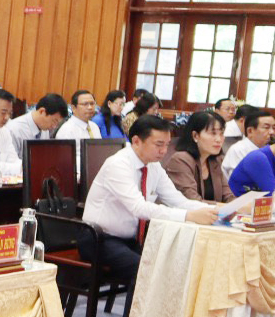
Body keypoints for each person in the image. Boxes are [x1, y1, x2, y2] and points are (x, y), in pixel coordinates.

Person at [83, 114, 218, 280]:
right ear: (136, 141)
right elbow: (139, 208)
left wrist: (216, 210)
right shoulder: (118, 164)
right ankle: (135, 308)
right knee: (146, 272)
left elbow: (177, 200)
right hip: (100, 238)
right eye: (158, 144)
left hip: (131, 239)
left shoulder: (153, 166)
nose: (164, 151)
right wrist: (188, 216)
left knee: (175, 265)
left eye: (167, 145)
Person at [166, 111, 233, 204]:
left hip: (211, 216)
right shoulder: (180, 160)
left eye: (221, 134)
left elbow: (228, 195)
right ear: (195, 136)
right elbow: (192, 200)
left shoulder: (216, 160)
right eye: (213, 133)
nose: (219, 139)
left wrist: (241, 205)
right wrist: (224, 207)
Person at [222, 107, 274, 175]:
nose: (272, 132)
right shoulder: (239, 149)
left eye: (274, 128)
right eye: (266, 127)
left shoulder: (270, 148)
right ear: (250, 131)